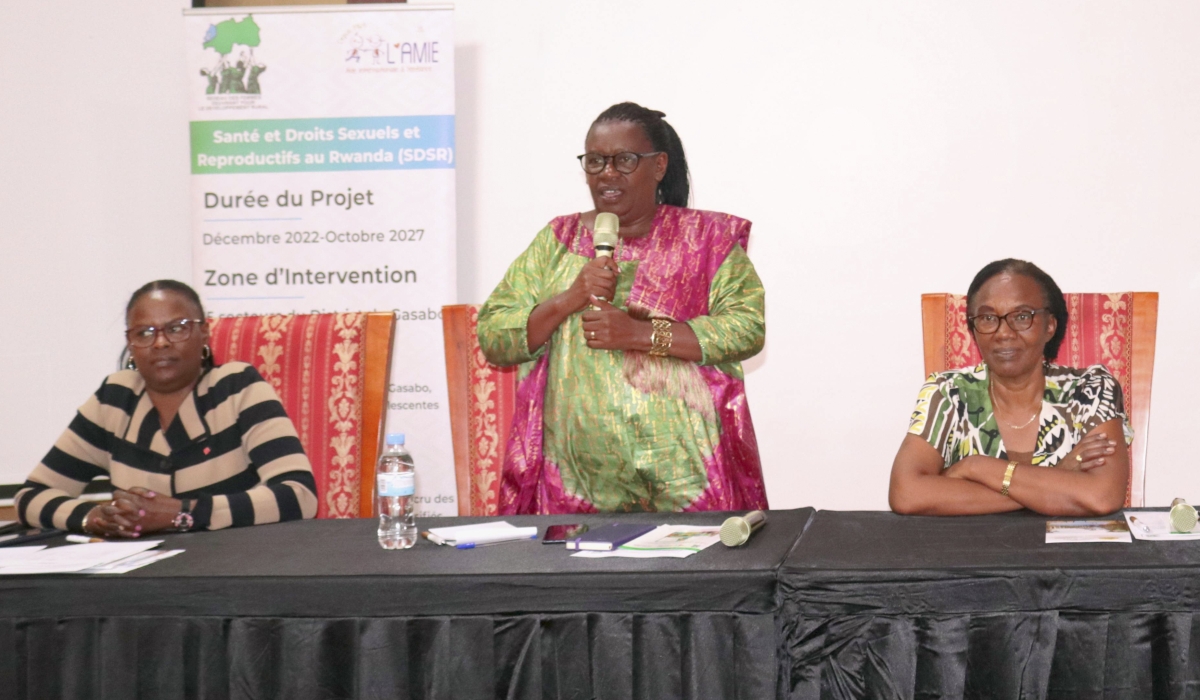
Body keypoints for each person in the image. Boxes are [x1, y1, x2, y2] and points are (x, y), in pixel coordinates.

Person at [478, 102, 768, 514]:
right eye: (595, 161)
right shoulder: (556, 240)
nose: (607, 173)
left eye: (624, 160)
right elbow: (493, 335)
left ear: (659, 165)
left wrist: (642, 335)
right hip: (573, 490)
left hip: (687, 483)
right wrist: (568, 299)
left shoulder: (706, 241)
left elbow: (746, 328)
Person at [16, 280, 318, 535]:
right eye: (144, 333)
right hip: (139, 581)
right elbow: (31, 497)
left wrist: (184, 514)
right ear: (130, 344)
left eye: (177, 328)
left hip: (236, 571)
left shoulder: (236, 388)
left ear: (204, 333)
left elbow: (298, 495)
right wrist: (94, 516)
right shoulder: (116, 399)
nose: (160, 343)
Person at [889, 259, 1132, 516]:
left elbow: (1102, 496)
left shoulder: (1091, 389)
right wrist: (1055, 477)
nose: (1003, 332)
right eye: (987, 317)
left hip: (1069, 555)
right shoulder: (948, 393)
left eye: (1021, 317)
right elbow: (906, 493)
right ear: (974, 329)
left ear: (1049, 325)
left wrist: (975, 467)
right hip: (972, 554)